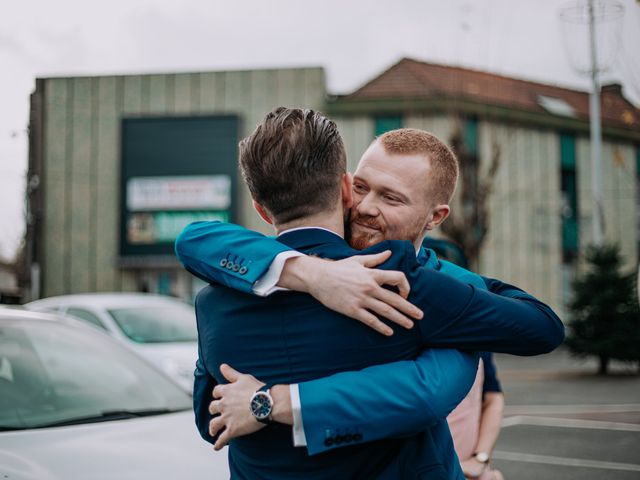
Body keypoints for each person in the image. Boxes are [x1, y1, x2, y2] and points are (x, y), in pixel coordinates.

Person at [178, 109, 564, 479]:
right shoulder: (404, 289)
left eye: (391, 198)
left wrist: (277, 401)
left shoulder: (213, 302)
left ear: (436, 217)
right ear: (345, 186)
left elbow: (209, 420)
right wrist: (314, 274)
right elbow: (191, 239)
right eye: (361, 188)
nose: (364, 207)